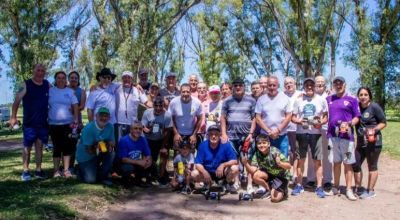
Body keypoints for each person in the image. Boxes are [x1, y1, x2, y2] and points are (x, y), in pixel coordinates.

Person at [10, 64, 50, 181]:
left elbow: (59, 90)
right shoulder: (25, 84)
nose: (40, 72)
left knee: (39, 147)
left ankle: (38, 170)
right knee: (27, 147)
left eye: (43, 71)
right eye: (38, 70)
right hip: (29, 124)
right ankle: (25, 171)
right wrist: (13, 117)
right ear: (33, 71)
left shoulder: (47, 84)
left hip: (42, 123)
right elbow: (16, 101)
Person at [291, 78, 328, 198]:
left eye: (312, 85)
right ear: (304, 86)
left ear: (315, 86)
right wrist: (300, 121)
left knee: (317, 161)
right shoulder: (298, 100)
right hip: (301, 133)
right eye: (307, 85)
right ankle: (299, 185)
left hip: (316, 133)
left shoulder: (321, 100)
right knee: (300, 160)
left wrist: (320, 123)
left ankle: (319, 187)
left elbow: (326, 116)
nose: (310, 87)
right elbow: (293, 117)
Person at [326, 76, 360, 201]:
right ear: (333, 86)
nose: (338, 85)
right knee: (336, 162)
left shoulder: (352, 99)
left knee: (348, 163)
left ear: (345, 85)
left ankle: (349, 189)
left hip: (347, 136)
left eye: (340, 83)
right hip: (332, 136)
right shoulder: (329, 99)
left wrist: (349, 123)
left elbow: (357, 117)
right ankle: (335, 187)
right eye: (336, 84)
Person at [353, 87, 386, 199]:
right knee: (355, 164)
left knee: (372, 166)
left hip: (374, 142)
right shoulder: (356, 107)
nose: (363, 97)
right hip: (361, 142)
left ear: (369, 96)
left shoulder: (374, 107)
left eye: (365, 94)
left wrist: (374, 130)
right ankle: (358, 188)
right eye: (361, 95)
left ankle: (370, 190)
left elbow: (383, 122)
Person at [241, 134, 291, 202]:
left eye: (264, 143)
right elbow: (252, 170)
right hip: (270, 176)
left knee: (274, 199)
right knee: (255, 176)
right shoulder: (257, 154)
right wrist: (246, 164)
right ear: (256, 145)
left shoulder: (274, 152)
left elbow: (289, 166)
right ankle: (269, 190)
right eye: (259, 143)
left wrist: (280, 163)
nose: (262, 145)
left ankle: (283, 190)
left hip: (281, 177)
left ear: (269, 144)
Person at [48, 71, 79, 178]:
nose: (61, 80)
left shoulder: (70, 91)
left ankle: (66, 170)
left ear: (66, 80)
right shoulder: (50, 91)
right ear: (55, 79)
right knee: (56, 148)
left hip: (68, 124)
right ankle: (56, 171)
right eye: (58, 78)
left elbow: (75, 105)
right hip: (53, 124)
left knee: (67, 148)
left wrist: (75, 120)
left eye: (63, 78)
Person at [192, 125, 240, 192]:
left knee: (235, 168)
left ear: (220, 135)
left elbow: (234, 161)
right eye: (211, 134)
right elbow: (198, 163)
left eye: (216, 134)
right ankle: (207, 183)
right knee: (194, 173)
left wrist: (223, 165)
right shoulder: (202, 145)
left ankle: (225, 183)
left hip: (222, 172)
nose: (213, 136)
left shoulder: (226, 145)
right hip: (208, 172)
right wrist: (204, 172)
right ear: (208, 135)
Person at [306, 75, 333, 190]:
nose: (320, 84)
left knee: (327, 156)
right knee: (312, 155)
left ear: (325, 84)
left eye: (322, 82)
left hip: (327, 129)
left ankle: (327, 180)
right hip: (312, 130)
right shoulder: (308, 96)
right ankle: (311, 179)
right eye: (318, 82)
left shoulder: (330, 96)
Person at [75, 107, 115, 185]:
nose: (103, 118)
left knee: (112, 154)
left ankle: (103, 177)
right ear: (96, 116)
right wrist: (98, 147)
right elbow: (88, 150)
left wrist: (108, 145)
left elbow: (112, 143)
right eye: (101, 115)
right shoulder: (89, 128)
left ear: (109, 118)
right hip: (86, 156)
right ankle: (79, 169)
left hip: (98, 152)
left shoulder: (110, 126)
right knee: (90, 180)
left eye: (106, 116)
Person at [255, 75, 292, 157]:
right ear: (267, 86)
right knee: (266, 162)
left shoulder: (285, 98)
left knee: (282, 161)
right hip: (265, 137)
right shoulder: (261, 99)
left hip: (282, 136)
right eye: (270, 85)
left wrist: (278, 130)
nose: (272, 87)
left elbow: (288, 116)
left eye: (274, 85)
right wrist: (269, 131)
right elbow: (258, 118)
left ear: (278, 86)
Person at [141, 96, 173, 185]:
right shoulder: (147, 112)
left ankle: (162, 176)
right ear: (153, 105)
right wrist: (145, 129)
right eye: (156, 106)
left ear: (163, 105)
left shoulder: (167, 115)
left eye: (160, 106)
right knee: (149, 157)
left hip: (161, 139)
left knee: (164, 154)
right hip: (148, 138)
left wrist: (163, 146)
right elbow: (143, 126)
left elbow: (167, 131)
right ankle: (148, 176)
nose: (158, 108)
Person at [220, 78, 256, 152]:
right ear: (232, 88)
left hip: (246, 136)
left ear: (244, 87)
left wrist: (251, 133)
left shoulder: (252, 100)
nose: (238, 87)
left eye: (240, 85)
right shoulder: (227, 101)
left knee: (245, 159)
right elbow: (223, 118)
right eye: (236, 85)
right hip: (231, 136)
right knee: (232, 160)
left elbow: (254, 118)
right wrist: (223, 134)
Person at [115, 71, 148, 141]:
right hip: (119, 123)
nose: (127, 79)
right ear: (122, 79)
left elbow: (147, 103)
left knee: (132, 145)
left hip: (133, 124)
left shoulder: (137, 90)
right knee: (119, 145)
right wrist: (95, 86)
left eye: (129, 78)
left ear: (132, 79)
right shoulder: (116, 88)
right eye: (124, 77)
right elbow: (105, 85)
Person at [117, 121, 152, 187]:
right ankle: (125, 181)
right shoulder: (124, 140)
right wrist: (139, 162)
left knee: (152, 164)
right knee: (128, 168)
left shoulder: (143, 140)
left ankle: (140, 180)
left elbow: (148, 155)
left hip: (136, 162)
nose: (138, 130)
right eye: (135, 128)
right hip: (124, 163)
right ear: (130, 130)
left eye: (140, 129)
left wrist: (148, 161)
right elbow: (123, 159)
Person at [168, 83, 203, 148]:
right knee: (177, 154)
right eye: (183, 92)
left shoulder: (197, 102)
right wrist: (176, 133)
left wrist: (194, 134)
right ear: (180, 92)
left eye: (188, 92)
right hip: (178, 133)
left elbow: (200, 119)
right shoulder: (173, 102)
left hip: (191, 134)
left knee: (191, 155)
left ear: (191, 92)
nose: (185, 94)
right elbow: (170, 119)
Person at [283, 76, 302, 184]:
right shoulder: (281, 95)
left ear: (295, 84)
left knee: (295, 152)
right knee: (285, 152)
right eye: (286, 83)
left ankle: (294, 174)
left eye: (291, 83)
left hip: (296, 128)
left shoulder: (301, 94)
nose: (289, 85)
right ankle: (286, 173)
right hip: (284, 128)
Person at [68, 71, 87, 170]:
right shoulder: (64, 89)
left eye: (75, 78)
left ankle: (71, 166)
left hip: (76, 122)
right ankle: (63, 166)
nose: (74, 79)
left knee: (73, 144)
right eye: (72, 77)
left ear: (78, 80)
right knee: (64, 144)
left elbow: (82, 106)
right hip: (64, 122)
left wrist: (73, 109)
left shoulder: (82, 91)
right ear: (69, 79)